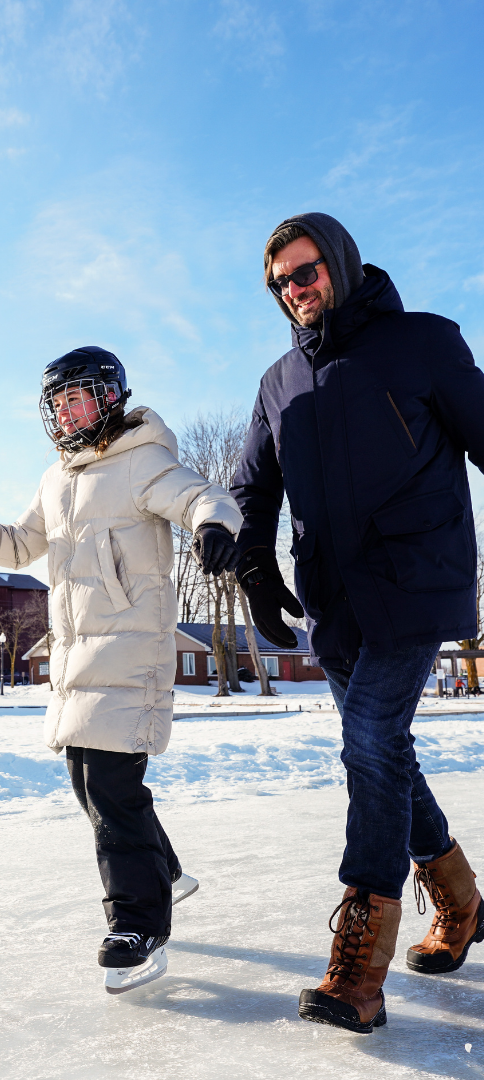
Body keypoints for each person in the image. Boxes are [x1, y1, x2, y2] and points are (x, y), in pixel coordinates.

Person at [231, 212, 484, 1035]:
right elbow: (252, 488)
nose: (295, 291)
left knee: (371, 738)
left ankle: (360, 969)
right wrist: (256, 565)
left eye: (305, 272)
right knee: (385, 752)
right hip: (335, 598)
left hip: (417, 578)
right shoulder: (278, 383)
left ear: (338, 262)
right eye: (281, 284)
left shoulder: (422, 342)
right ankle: (461, 901)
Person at [0, 346, 242, 994]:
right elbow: (19, 547)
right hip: (76, 659)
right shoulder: (57, 480)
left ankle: (139, 925)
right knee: (90, 783)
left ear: (109, 398)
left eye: (78, 398)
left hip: (131, 653)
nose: (68, 412)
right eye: (58, 403)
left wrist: (214, 527)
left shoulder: (142, 461)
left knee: (110, 789)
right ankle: (167, 874)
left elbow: (200, 497)